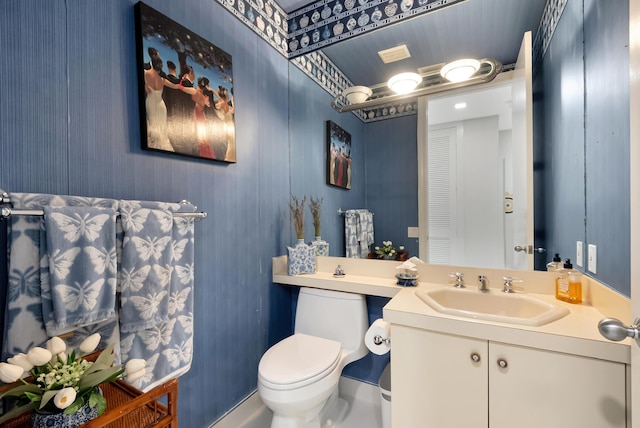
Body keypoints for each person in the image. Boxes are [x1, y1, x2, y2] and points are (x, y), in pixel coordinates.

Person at [143, 56, 180, 152]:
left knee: (153, 124)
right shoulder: (162, 80)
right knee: (162, 128)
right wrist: (182, 81)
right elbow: (176, 86)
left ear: (151, 64)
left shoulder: (145, 73)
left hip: (150, 103)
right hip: (161, 106)